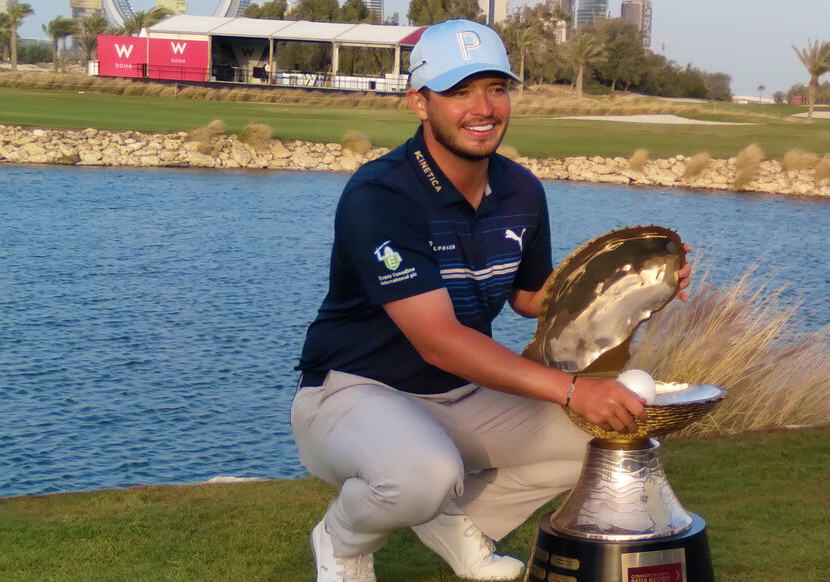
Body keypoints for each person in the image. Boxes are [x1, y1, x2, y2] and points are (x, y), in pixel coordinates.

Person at [290, 19, 690, 582]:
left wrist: (636, 288)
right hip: (351, 390)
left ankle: (457, 522)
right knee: (422, 475)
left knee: (611, 438)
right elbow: (438, 342)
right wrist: (574, 390)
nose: (483, 107)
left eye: (496, 88)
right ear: (419, 103)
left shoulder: (521, 189)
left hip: (458, 392)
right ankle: (342, 540)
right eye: (459, 91)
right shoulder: (381, 195)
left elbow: (531, 298)